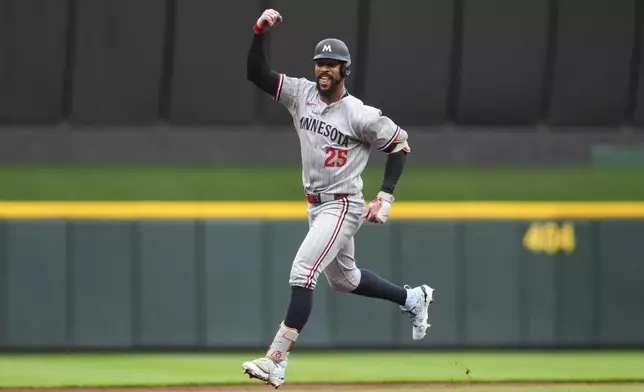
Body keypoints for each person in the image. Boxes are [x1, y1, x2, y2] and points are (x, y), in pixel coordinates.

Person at [242, 9, 435, 388]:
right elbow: (256, 74)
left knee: (303, 271)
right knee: (344, 280)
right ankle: (413, 298)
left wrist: (386, 196)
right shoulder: (301, 94)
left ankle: (275, 360)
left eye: (332, 64)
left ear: (345, 69)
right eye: (320, 63)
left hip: (344, 204)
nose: (324, 70)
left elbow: (400, 144)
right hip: (316, 205)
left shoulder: (359, 114)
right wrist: (258, 33)